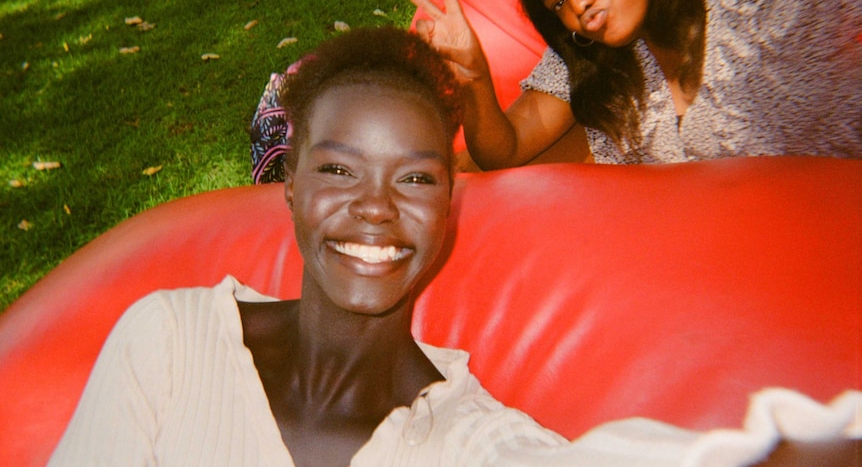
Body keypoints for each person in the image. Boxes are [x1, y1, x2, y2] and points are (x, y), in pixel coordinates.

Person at [48, 27, 858, 466]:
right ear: (288, 183)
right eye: (338, 169)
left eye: (415, 179)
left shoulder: (468, 435)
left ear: (447, 209)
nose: (374, 209)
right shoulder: (171, 339)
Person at [395, 0, 862, 167]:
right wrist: (475, 76)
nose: (577, 4)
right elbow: (506, 147)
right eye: (557, 2)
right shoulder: (588, 57)